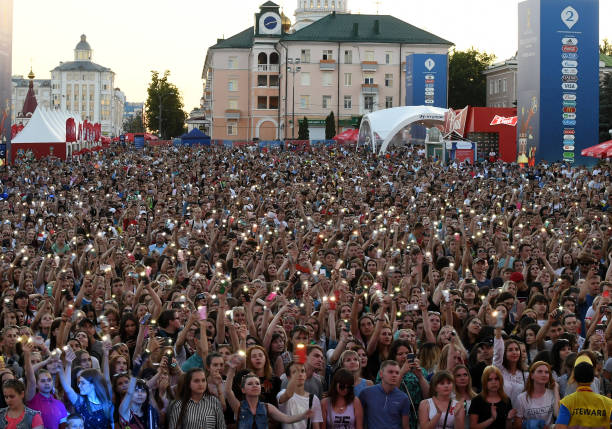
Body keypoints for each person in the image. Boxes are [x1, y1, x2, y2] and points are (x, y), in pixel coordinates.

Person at [225, 355, 313, 429]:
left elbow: (287, 419)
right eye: (250, 384)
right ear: (243, 389)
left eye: (257, 383)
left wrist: (303, 415)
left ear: (261, 388)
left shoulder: (267, 407)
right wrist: (232, 369)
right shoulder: (239, 407)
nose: (254, 385)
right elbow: (228, 391)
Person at [59, 347, 114, 429]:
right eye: (79, 382)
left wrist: (106, 355)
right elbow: (67, 388)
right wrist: (67, 365)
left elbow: (112, 426)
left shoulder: (107, 403)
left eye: (82, 383)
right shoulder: (80, 401)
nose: (79, 385)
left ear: (93, 384)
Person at [555, 355, 612, 429]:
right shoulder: (608, 403)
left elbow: (560, 427)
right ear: (593, 379)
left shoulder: (566, 402)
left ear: (574, 378)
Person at [358, 360, 411, 429]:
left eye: (397, 373)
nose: (394, 375)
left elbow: (406, 426)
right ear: (381, 374)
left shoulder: (404, 398)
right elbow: (358, 420)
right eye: (390, 372)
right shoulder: (366, 393)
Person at [277, 361, 323, 429]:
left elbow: (316, 426)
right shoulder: (282, 393)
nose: (300, 374)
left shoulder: (313, 398)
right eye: (295, 372)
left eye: (302, 371)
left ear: (305, 375)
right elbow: (288, 395)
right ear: (288, 377)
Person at [514, 361, 559, 429]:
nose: (543, 374)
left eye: (546, 372)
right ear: (532, 375)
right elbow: (517, 424)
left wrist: (556, 389)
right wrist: (532, 425)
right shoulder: (521, 398)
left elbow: (558, 415)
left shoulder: (552, 394)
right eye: (540, 371)